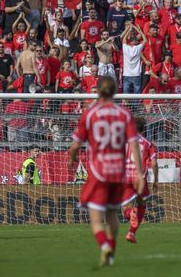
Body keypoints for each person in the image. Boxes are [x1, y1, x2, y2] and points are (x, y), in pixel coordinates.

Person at [68, 76, 143, 267]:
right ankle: (111, 252)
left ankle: (104, 246)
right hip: (118, 170)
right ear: (116, 90)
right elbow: (134, 144)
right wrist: (140, 173)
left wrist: (72, 157)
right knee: (112, 214)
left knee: (95, 216)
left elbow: (75, 145)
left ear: (98, 91)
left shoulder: (91, 114)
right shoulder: (124, 114)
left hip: (98, 170)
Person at [122, 116, 158, 244]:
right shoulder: (148, 144)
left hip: (124, 177)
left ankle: (130, 214)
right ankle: (131, 232)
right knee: (142, 204)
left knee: (128, 206)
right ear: (143, 129)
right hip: (139, 178)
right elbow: (153, 163)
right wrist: (156, 180)